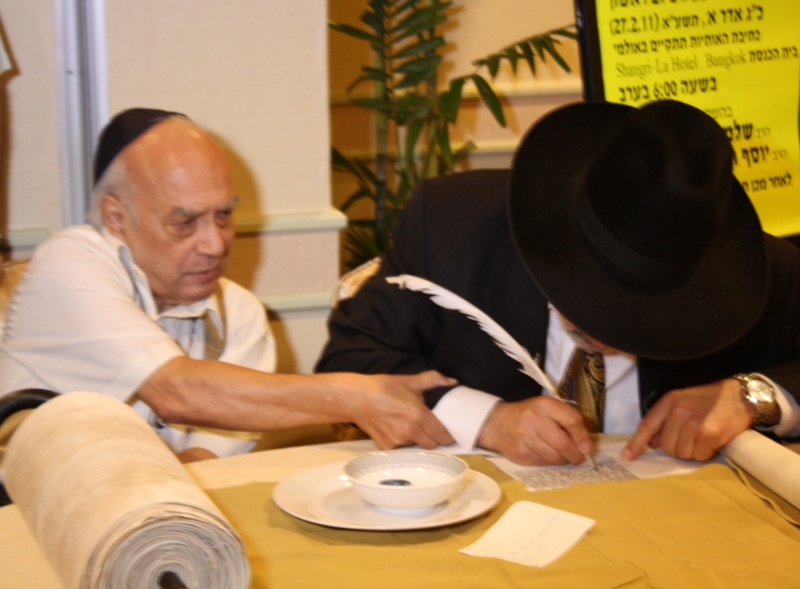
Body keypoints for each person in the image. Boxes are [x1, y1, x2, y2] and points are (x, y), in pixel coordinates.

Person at [316, 99, 800, 466]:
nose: (609, 333)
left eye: (642, 314)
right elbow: (351, 362)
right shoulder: (449, 228)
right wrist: (488, 420)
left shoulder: (770, 274)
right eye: (596, 297)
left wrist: (753, 396)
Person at [0, 108, 454, 463]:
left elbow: (202, 465)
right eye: (184, 222)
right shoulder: (68, 261)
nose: (215, 244)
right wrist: (357, 395)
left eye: (223, 215)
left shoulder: (240, 313)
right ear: (116, 219)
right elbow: (177, 392)